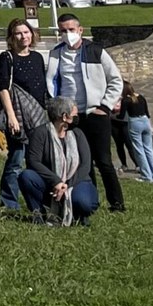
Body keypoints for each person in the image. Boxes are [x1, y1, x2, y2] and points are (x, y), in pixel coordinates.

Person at [46, 12, 125, 213]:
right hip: (71, 116)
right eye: (63, 30)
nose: (67, 34)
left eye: (71, 30)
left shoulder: (96, 51)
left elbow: (116, 79)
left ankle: (117, 203)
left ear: (80, 30)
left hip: (95, 113)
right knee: (81, 161)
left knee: (103, 160)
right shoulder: (56, 54)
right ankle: (89, 201)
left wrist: (105, 106)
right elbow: (52, 82)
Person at [0, 18, 50, 210]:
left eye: (26, 32)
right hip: (18, 114)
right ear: (12, 37)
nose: (23, 36)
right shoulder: (7, 58)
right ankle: (10, 202)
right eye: (18, 33)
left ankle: (36, 200)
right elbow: (3, 88)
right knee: (17, 159)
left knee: (37, 161)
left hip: (37, 115)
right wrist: (11, 116)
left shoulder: (37, 57)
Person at [20, 96, 100, 226]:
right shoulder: (40, 133)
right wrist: (56, 181)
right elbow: (33, 161)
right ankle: (39, 213)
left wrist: (66, 185)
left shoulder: (78, 134)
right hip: (50, 184)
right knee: (26, 176)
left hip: (77, 181)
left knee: (83, 202)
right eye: (74, 114)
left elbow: (86, 165)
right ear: (64, 116)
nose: (76, 116)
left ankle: (78, 214)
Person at [121, 81, 153, 183]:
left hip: (135, 122)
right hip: (145, 121)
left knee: (139, 150)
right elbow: (147, 113)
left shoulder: (126, 100)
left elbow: (121, 116)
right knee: (149, 149)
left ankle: (147, 175)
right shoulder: (141, 97)